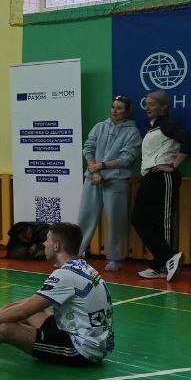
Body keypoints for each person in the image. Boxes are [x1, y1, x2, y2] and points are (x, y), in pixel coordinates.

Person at [0, 221, 113, 366]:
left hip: (82, 350)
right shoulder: (82, 267)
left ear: (57, 246)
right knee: (26, 305)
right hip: (83, 334)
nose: (43, 244)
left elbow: (22, 313)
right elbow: (26, 307)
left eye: (47, 239)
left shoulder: (66, 275)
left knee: (6, 329)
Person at [132, 91, 191, 281]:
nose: (147, 107)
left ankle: (165, 263)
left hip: (163, 177)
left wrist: (173, 165)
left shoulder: (168, 123)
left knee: (161, 222)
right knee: (139, 219)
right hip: (150, 177)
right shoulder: (155, 127)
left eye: (152, 104)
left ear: (164, 106)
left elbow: (188, 140)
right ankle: (164, 259)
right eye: (146, 104)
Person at [78, 96, 142, 271]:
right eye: (113, 107)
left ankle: (115, 258)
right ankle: (75, 254)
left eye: (119, 108)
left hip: (116, 182)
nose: (115, 111)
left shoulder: (133, 133)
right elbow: (88, 147)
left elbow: (127, 158)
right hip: (92, 179)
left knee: (116, 221)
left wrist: (102, 166)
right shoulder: (100, 126)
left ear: (127, 111)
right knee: (84, 217)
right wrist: (94, 169)